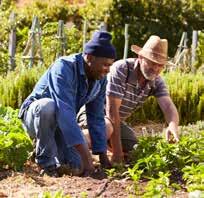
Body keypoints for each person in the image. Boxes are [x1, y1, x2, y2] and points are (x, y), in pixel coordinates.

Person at [18, 30, 116, 177]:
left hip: (61, 125)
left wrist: (102, 157)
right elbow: (65, 111)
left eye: (110, 65)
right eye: (105, 65)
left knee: (76, 166)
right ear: (89, 57)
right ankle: (46, 163)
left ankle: (49, 148)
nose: (108, 70)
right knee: (48, 106)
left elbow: (95, 117)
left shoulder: (100, 79)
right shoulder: (64, 67)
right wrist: (89, 160)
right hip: (36, 117)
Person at [105, 35, 179, 164]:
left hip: (116, 122)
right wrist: (117, 152)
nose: (155, 69)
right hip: (95, 115)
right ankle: (72, 147)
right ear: (140, 57)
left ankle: (102, 146)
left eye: (160, 65)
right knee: (106, 129)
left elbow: (168, 106)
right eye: (152, 62)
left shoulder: (156, 81)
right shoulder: (122, 69)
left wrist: (172, 126)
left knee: (135, 149)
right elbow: (111, 112)